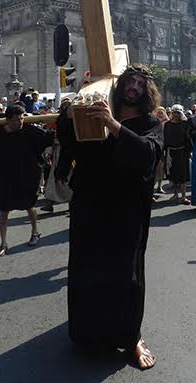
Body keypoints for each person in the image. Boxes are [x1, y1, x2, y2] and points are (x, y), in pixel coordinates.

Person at [56, 64, 163, 370]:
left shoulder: (150, 122)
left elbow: (148, 155)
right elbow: (70, 140)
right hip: (90, 201)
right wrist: (72, 109)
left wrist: (113, 125)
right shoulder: (97, 111)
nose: (134, 87)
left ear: (146, 92)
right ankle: (88, 334)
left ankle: (131, 338)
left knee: (125, 274)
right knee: (86, 268)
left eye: (140, 84)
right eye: (129, 81)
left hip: (126, 207)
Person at [0, 104, 55, 256]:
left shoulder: (30, 131)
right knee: (4, 210)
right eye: (16, 120)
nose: (20, 122)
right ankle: (3, 243)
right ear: (8, 120)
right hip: (4, 176)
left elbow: (48, 137)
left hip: (27, 174)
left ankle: (35, 232)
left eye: (22, 119)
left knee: (29, 205)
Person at [163, 104, 192, 205]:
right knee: (173, 174)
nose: (176, 115)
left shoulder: (185, 124)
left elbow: (188, 138)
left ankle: (183, 196)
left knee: (182, 175)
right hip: (171, 152)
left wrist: (189, 151)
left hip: (182, 152)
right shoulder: (167, 125)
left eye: (178, 113)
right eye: (174, 113)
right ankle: (175, 193)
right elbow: (165, 138)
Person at [152, 106, 169, 195]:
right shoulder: (153, 123)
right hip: (155, 146)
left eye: (162, 112)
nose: (160, 114)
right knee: (155, 168)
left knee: (161, 168)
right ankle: (152, 188)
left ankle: (159, 186)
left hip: (163, 147)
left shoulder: (167, 123)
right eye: (158, 112)